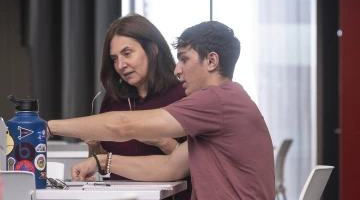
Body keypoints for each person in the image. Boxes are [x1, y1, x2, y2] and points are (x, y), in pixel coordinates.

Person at [48, 21, 275, 200]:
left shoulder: (216, 99)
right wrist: (101, 162)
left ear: (212, 61)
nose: (177, 69)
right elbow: (169, 167)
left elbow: (124, 125)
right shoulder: (227, 103)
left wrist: (48, 126)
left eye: (184, 59)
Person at [82, 13, 191, 199]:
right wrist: (94, 146)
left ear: (153, 49)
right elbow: (105, 161)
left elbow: (197, 164)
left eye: (127, 53)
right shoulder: (112, 98)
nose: (121, 65)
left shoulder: (183, 94)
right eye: (114, 58)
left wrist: (162, 141)